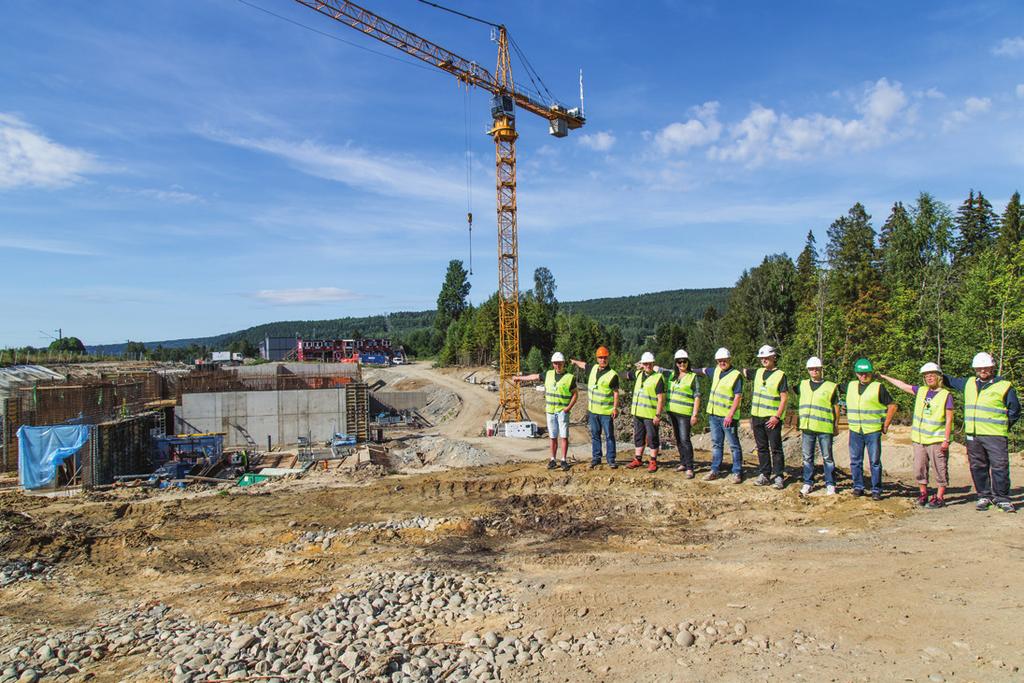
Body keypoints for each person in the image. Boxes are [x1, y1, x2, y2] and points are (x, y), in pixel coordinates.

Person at [942, 352, 1020, 513]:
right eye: (979, 368)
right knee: (978, 466)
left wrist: (1004, 426)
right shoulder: (969, 383)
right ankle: (984, 495)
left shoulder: (1004, 385)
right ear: (975, 369)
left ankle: (1002, 498)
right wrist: (933, 371)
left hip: (995, 434)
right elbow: (948, 380)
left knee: (999, 466)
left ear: (992, 367)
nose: (982, 370)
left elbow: (1015, 410)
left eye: (986, 368)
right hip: (973, 434)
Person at [880, 363, 953, 509]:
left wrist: (946, 439)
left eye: (932, 375)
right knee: (919, 468)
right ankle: (923, 493)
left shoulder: (946, 395)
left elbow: (949, 418)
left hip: (936, 439)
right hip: (919, 439)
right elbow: (903, 385)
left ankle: (939, 497)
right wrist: (884, 377)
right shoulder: (921, 391)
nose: (929, 378)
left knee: (940, 468)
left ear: (938, 377)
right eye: (926, 376)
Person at [513, 352, 577, 471]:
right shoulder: (548, 374)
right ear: (553, 364)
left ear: (563, 364)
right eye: (555, 363)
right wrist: (519, 378)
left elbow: (575, 395)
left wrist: (568, 408)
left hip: (563, 411)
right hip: (550, 411)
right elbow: (534, 376)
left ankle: (563, 460)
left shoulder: (569, 378)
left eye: (559, 363)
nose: (557, 365)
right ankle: (552, 459)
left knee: (564, 436)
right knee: (552, 436)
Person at [845, 358, 898, 500]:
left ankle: (876, 489)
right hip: (856, 429)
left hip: (872, 431)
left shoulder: (878, 387)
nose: (863, 375)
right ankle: (858, 487)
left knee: (874, 462)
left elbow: (892, 406)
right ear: (856, 373)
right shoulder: (850, 386)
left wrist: (886, 424)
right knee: (855, 460)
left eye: (866, 373)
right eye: (861, 373)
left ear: (871, 373)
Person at [740, 345, 789, 487]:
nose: (764, 360)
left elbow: (784, 398)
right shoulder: (758, 372)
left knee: (776, 448)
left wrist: (777, 417)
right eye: (762, 358)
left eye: (766, 358)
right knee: (761, 448)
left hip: (772, 418)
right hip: (757, 416)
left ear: (774, 357)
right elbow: (742, 371)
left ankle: (779, 476)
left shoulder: (780, 375)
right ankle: (765, 474)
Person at [695, 348, 744, 483]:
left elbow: (737, 397)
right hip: (714, 415)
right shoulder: (716, 371)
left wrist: (730, 415)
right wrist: (686, 370)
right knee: (716, 444)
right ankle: (715, 470)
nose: (722, 362)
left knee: (734, 445)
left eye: (724, 360)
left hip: (727, 417)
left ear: (729, 360)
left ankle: (737, 471)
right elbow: (703, 371)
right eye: (719, 361)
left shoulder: (735, 375)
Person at [569, 347, 620, 468]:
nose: (603, 360)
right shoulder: (593, 369)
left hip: (606, 412)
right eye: (601, 357)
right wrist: (575, 362)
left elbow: (616, 392)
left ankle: (611, 459)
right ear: (597, 358)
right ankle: (596, 457)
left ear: (608, 358)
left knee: (609, 436)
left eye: (605, 357)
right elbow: (584, 365)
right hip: (593, 411)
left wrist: (615, 408)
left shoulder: (612, 375)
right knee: (595, 435)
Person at [796, 356, 840, 495]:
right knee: (807, 457)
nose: (814, 371)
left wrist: (836, 424)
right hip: (807, 427)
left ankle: (830, 483)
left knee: (827, 457)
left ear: (821, 369)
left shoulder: (830, 386)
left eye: (816, 369)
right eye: (811, 369)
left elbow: (836, 407)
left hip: (824, 428)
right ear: (808, 370)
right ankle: (808, 482)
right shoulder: (802, 385)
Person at [661, 349, 701, 478]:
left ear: (688, 362)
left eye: (684, 361)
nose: (682, 364)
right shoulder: (673, 376)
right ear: (676, 363)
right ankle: (683, 462)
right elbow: (659, 370)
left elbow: (697, 396)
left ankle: (690, 467)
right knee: (678, 439)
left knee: (685, 439)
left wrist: (694, 415)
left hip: (685, 413)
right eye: (679, 362)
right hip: (673, 411)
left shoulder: (692, 377)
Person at [627, 351, 666, 472]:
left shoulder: (658, 378)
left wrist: (658, 415)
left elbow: (661, 398)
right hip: (638, 413)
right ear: (642, 364)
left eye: (650, 363)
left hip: (650, 414)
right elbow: (625, 375)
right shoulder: (638, 374)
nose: (648, 365)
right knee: (638, 436)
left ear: (653, 363)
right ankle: (638, 459)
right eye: (645, 363)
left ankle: (653, 460)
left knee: (652, 437)